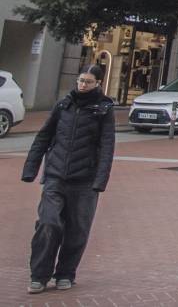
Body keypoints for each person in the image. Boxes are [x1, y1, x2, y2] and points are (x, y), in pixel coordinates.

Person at [21, 65, 116, 295]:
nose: (83, 85)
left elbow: (107, 147)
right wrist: (30, 169)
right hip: (55, 176)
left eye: (88, 82)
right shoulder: (64, 105)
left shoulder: (103, 110)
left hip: (85, 181)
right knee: (48, 223)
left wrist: (100, 181)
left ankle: (65, 273)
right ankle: (39, 276)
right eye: (81, 80)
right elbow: (43, 136)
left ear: (98, 83)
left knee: (77, 231)